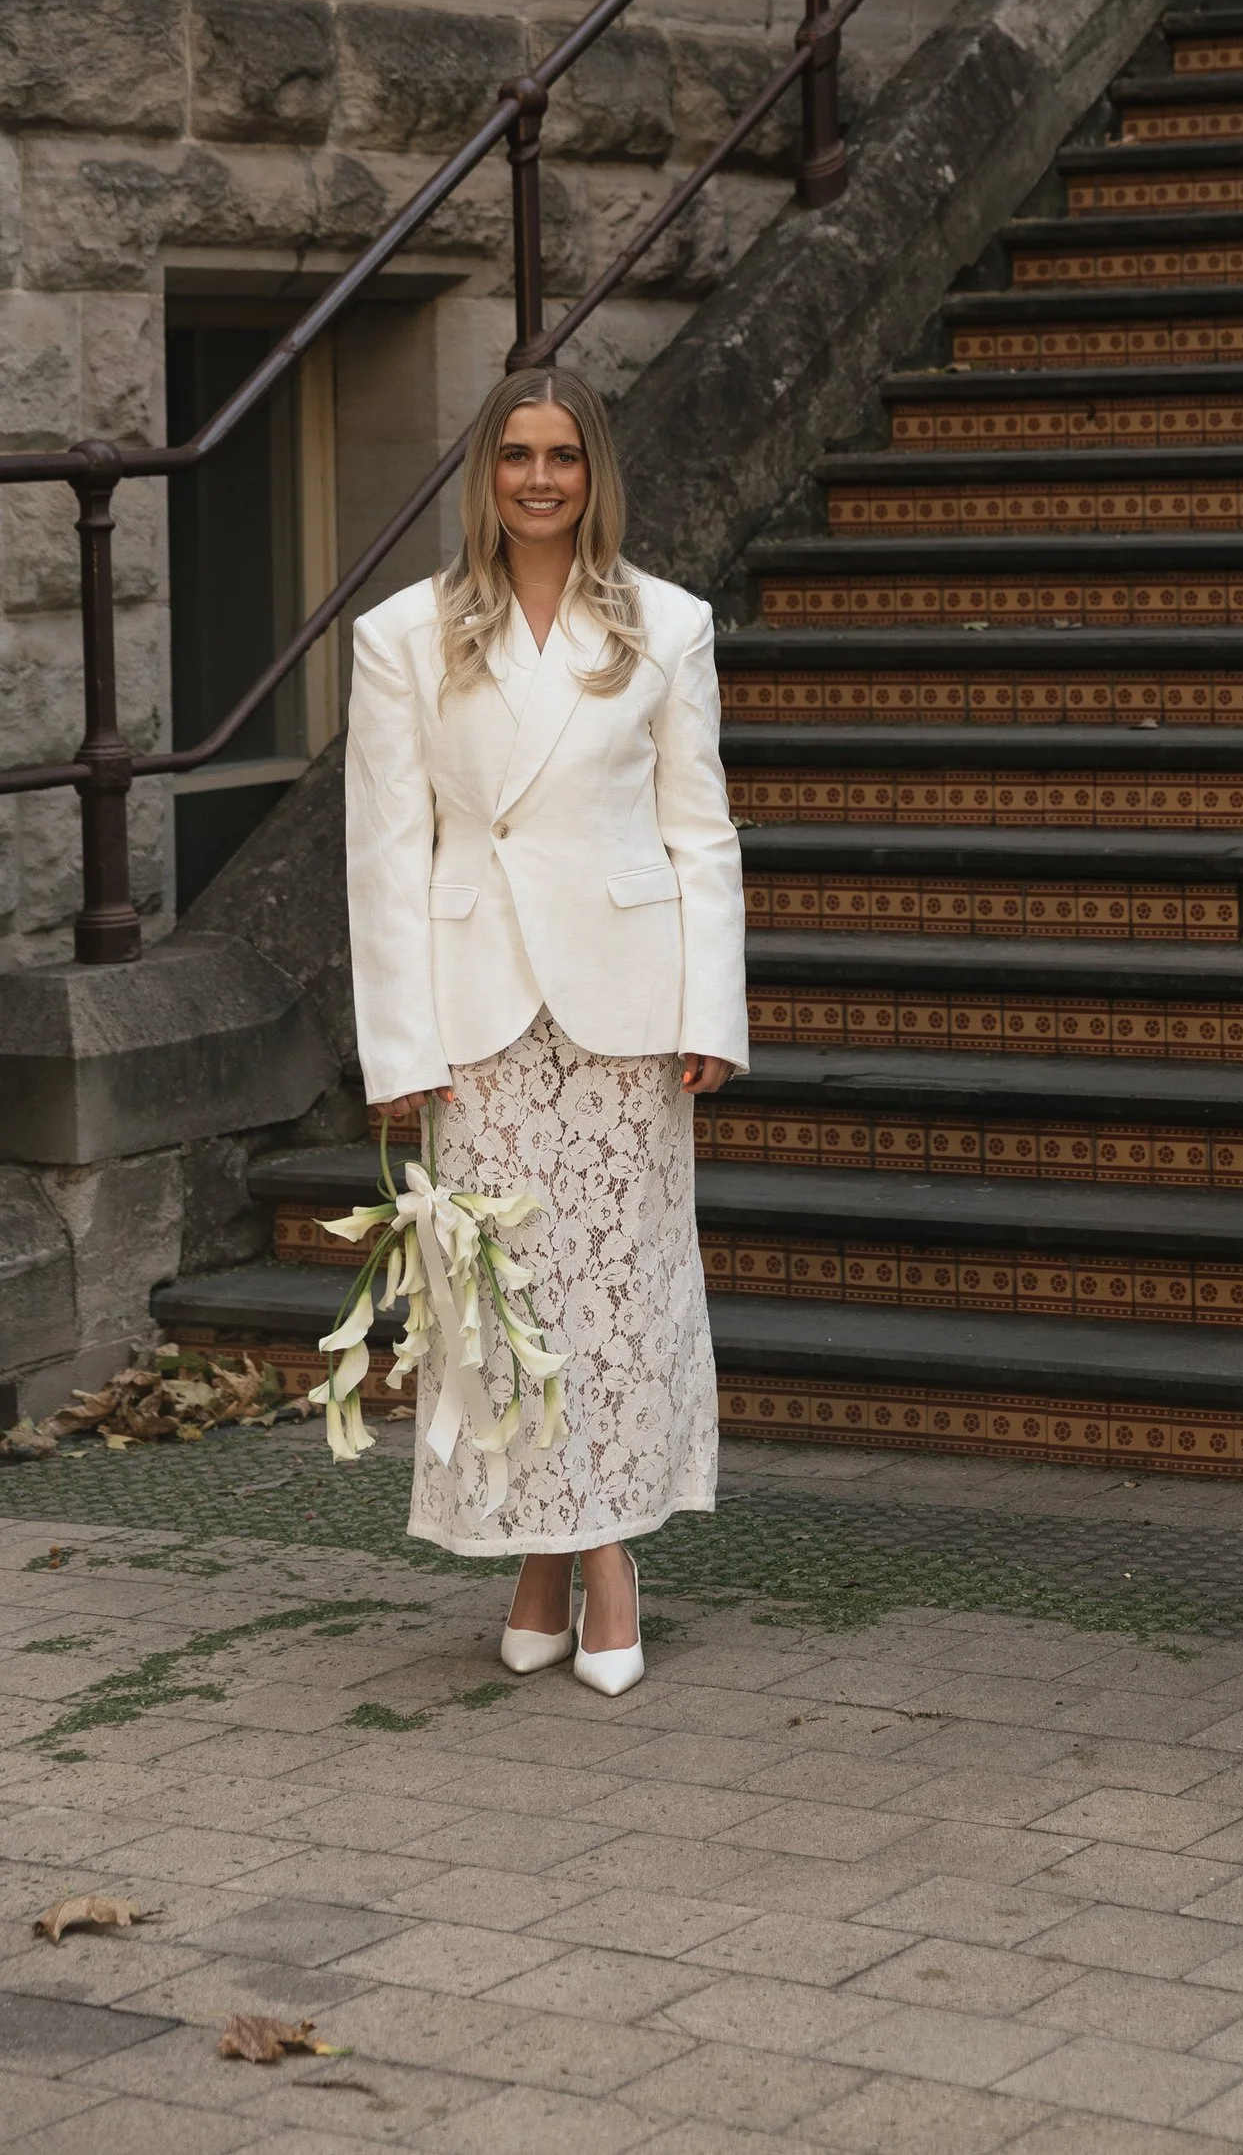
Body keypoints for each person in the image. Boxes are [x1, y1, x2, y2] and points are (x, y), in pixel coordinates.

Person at [342, 364, 746, 1693]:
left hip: (627, 1012)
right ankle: (532, 1552)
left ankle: (608, 1557)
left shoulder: (667, 625)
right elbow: (386, 855)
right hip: (479, 1017)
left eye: (563, 453)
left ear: (593, 472)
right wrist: (398, 1048)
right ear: (485, 471)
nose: (538, 475)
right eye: (515, 451)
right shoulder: (404, 634)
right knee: (505, 1299)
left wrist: (711, 1010)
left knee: (620, 1289)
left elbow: (701, 834)